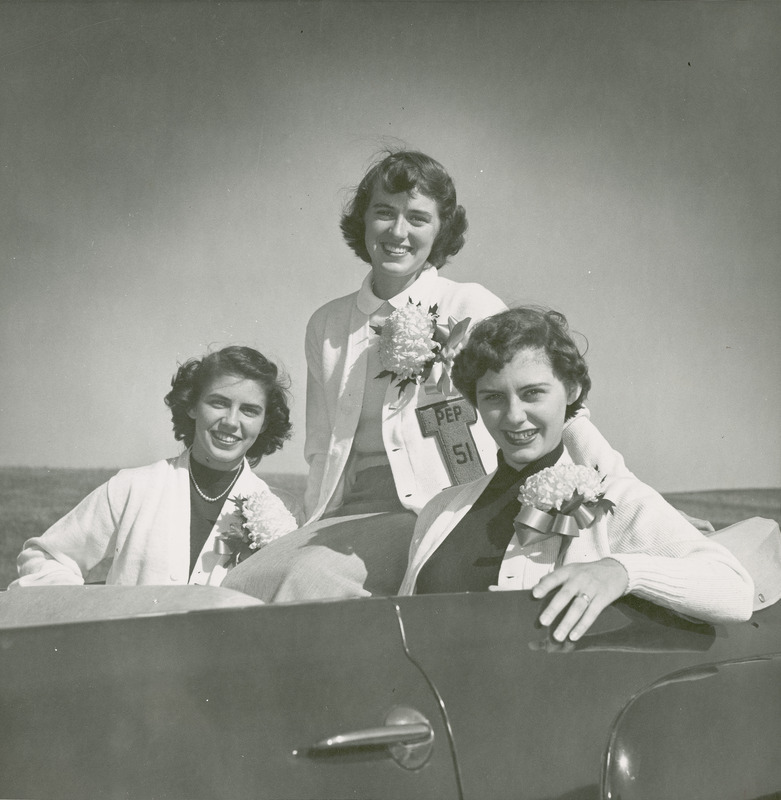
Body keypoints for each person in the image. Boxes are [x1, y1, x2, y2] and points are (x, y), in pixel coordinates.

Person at [224, 151, 630, 602]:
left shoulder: (471, 306)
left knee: (305, 579)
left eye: (417, 218)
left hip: (436, 512)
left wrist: (620, 495)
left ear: (440, 231)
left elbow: (558, 411)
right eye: (384, 213)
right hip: (340, 516)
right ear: (363, 221)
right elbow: (321, 448)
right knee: (243, 583)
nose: (398, 232)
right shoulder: (327, 325)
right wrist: (309, 525)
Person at [399, 307, 754, 639]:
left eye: (532, 393)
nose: (513, 415)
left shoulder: (614, 499)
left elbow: (734, 590)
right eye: (493, 397)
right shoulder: (440, 512)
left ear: (571, 391)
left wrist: (621, 572)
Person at [11, 346, 299, 588]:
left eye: (249, 410)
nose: (231, 422)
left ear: (264, 423)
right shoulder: (133, 487)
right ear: (191, 406)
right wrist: (87, 616)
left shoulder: (282, 514)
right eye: (218, 403)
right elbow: (45, 558)